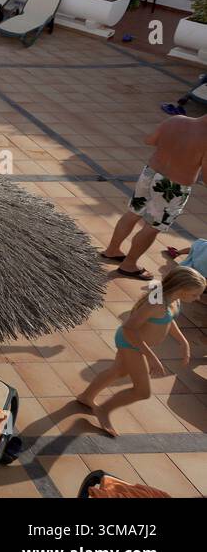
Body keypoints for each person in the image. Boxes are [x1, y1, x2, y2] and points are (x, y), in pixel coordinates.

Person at [77, 266, 205, 436]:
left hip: (136, 343)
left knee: (118, 371)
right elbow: (129, 328)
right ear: (181, 289)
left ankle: (86, 397)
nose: (198, 298)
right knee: (142, 392)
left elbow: (169, 319)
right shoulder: (156, 303)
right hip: (131, 343)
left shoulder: (173, 299)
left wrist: (183, 341)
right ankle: (104, 410)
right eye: (195, 294)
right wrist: (151, 357)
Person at [104, 114, 207, 279]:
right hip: (173, 187)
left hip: (150, 173)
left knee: (133, 212)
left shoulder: (176, 120)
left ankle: (112, 250)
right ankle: (129, 265)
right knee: (152, 228)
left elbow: (150, 140)